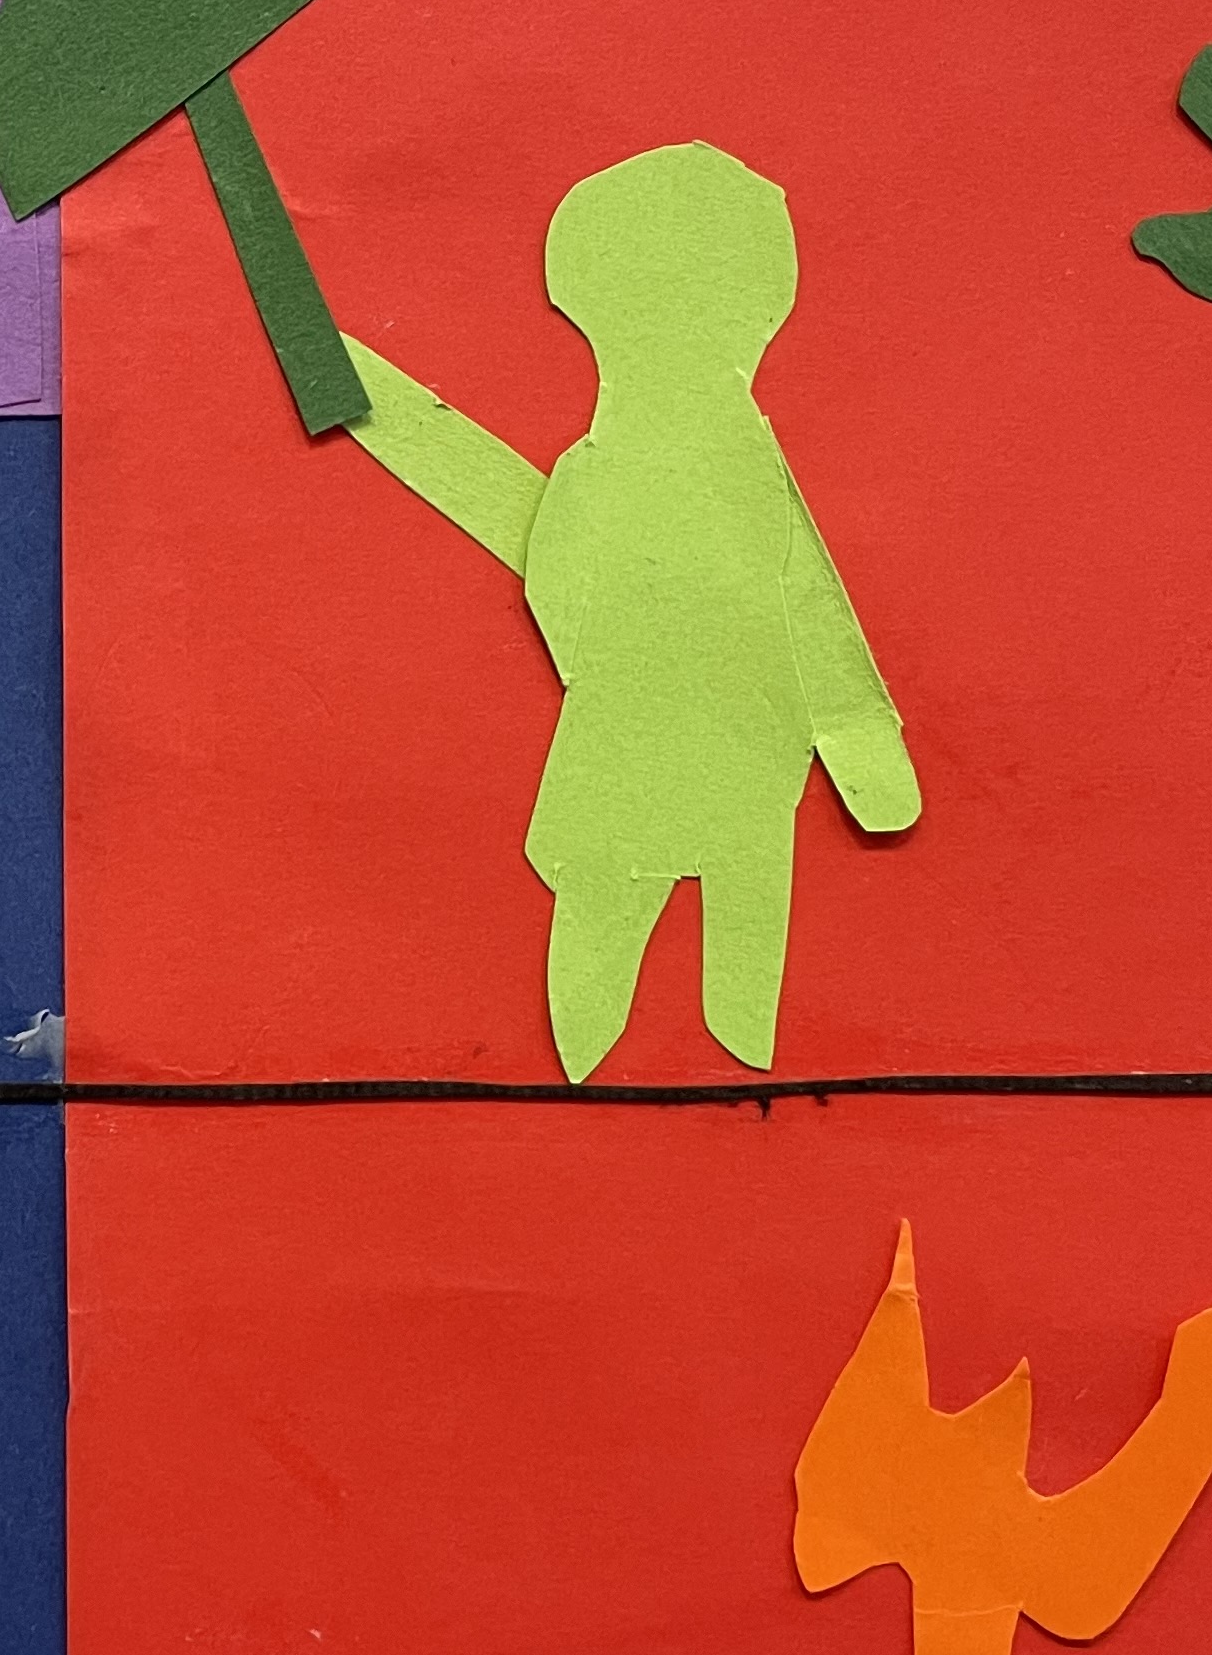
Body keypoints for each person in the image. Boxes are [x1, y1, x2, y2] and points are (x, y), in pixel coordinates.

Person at [339, 140, 919, 1078]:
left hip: (669, 743)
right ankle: (664, 1070)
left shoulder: (643, 469)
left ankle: (693, 1073)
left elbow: (573, 586)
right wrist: (856, 741)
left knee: (658, 938)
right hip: (697, 745)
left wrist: (853, 734)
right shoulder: (692, 466)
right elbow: (795, 596)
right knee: (666, 938)